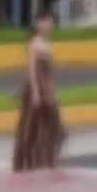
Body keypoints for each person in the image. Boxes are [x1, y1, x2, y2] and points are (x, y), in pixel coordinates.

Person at [10, 12, 68, 180]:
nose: (49, 26)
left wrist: (53, 92)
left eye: (51, 23)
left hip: (47, 89)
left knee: (57, 128)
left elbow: (49, 73)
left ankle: (53, 163)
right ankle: (22, 165)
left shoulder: (47, 44)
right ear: (38, 24)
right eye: (46, 22)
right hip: (35, 90)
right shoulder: (34, 43)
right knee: (29, 129)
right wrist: (35, 92)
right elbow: (31, 70)